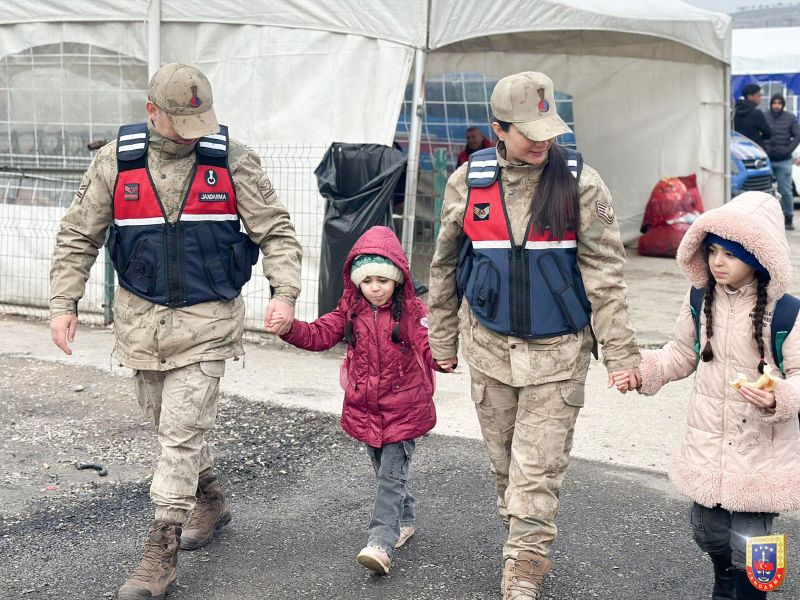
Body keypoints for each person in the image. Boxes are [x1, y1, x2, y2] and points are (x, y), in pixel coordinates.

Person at [49, 63, 303, 599]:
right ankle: (210, 499)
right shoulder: (114, 164)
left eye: (200, 120)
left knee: (181, 433)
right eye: (180, 121)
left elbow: (277, 231)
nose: (193, 133)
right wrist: (62, 303)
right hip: (141, 324)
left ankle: (157, 555)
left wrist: (284, 294)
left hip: (209, 320)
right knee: (168, 427)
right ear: (151, 112)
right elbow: (78, 235)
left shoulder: (232, 161)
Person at [427, 71, 641, 600]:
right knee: (505, 466)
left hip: (559, 351)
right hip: (488, 347)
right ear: (498, 129)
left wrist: (621, 353)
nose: (543, 141)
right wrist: (442, 337)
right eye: (529, 132)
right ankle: (522, 540)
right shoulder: (467, 182)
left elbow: (605, 273)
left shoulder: (581, 183)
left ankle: (524, 567)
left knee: (537, 467)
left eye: (550, 130)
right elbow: (445, 265)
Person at [612, 192, 800, 600]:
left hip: (760, 447)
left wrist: (779, 397)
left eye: (730, 254)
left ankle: (752, 595)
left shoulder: (787, 313)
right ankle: (724, 582)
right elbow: (680, 353)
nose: (717, 262)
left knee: (751, 540)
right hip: (708, 441)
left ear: (758, 256)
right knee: (709, 531)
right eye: (712, 250)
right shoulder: (700, 299)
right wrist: (640, 372)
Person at [277, 225, 441, 575]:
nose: (376, 288)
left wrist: (444, 357)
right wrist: (289, 328)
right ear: (357, 282)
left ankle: (380, 542)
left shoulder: (411, 311)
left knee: (389, 477)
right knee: (385, 472)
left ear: (397, 278)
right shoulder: (351, 310)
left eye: (383, 279)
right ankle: (406, 518)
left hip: (404, 410)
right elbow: (320, 334)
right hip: (365, 409)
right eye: (367, 281)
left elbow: (428, 344)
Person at [764, 93, 800, 230]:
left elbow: (797, 136)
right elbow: (758, 134)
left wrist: (788, 151)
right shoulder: (764, 116)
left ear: (783, 104)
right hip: (767, 160)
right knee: (765, 191)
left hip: (784, 160)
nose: (776, 106)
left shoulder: (790, 118)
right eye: (774, 103)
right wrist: (764, 149)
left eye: (779, 103)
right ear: (771, 104)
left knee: (786, 190)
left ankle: (789, 218)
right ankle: (766, 218)